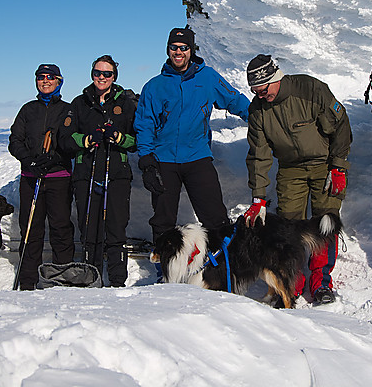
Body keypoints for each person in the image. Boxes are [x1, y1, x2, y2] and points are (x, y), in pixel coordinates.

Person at [245, 54, 352, 305]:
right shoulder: (258, 110)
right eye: (255, 91)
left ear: (276, 78)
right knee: (288, 226)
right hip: (290, 169)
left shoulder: (310, 89)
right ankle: (293, 281)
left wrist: (338, 166)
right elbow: (258, 154)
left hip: (323, 164)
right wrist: (258, 196)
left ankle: (321, 281)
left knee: (325, 222)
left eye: (263, 89)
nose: (260, 95)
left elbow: (341, 126)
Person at [135, 27, 251, 249]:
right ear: (168, 50)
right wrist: (147, 159)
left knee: (215, 216)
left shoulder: (207, 77)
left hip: (197, 158)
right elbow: (144, 124)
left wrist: (259, 117)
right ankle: (165, 271)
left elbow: (234, 100)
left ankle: (221, 265)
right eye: (174, 47)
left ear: (191, 50)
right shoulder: (154, 86)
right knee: (163, 220)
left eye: (184, 47)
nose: (178, 52)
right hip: (164, 161)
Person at [58, 55, 137, 287]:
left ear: (114, 76)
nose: (102, 78)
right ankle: (90, 276)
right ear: (92, 74)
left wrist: (119, 138)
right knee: (89, 226)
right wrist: (86, 140)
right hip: (87, 173)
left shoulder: (126, 104)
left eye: (107, 74)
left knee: (116, 226)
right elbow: (65, 138)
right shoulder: (79, 103)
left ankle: (117, 280)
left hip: (117, 173)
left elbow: (137, 140)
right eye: (97, 73)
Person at [8, 64, 76, 291]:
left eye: (50, 77)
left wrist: (54, 158)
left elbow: (70, 142)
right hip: (31, 177)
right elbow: (15, 140)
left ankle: (62, 278)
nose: (45, 81)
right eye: (40, 77)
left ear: (59, 81)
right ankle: (28, 282)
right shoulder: (28, 110)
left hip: (59, 177)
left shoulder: (68, 110)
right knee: (30, 229)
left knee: (60, 227)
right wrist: (29, 160)